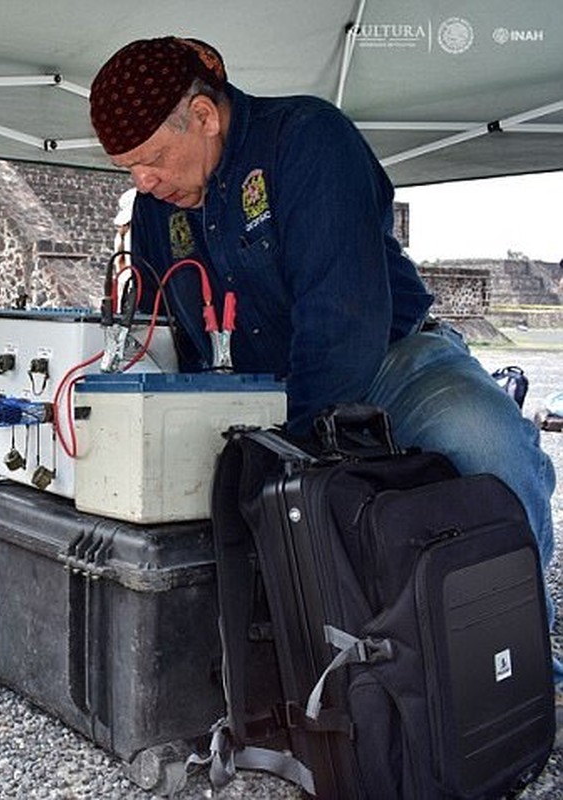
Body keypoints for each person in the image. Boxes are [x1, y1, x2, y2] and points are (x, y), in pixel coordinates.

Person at [89, 38, 560, 694]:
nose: (142, 182)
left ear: (203, 116)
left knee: (482, 438)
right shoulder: (154, 212)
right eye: (128, 168)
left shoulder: (306, 140)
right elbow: (155, 335)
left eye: (152, 160)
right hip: (249, 392)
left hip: (387, 359)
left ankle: (523, 654)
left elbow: (341, 321)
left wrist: (286, 450)